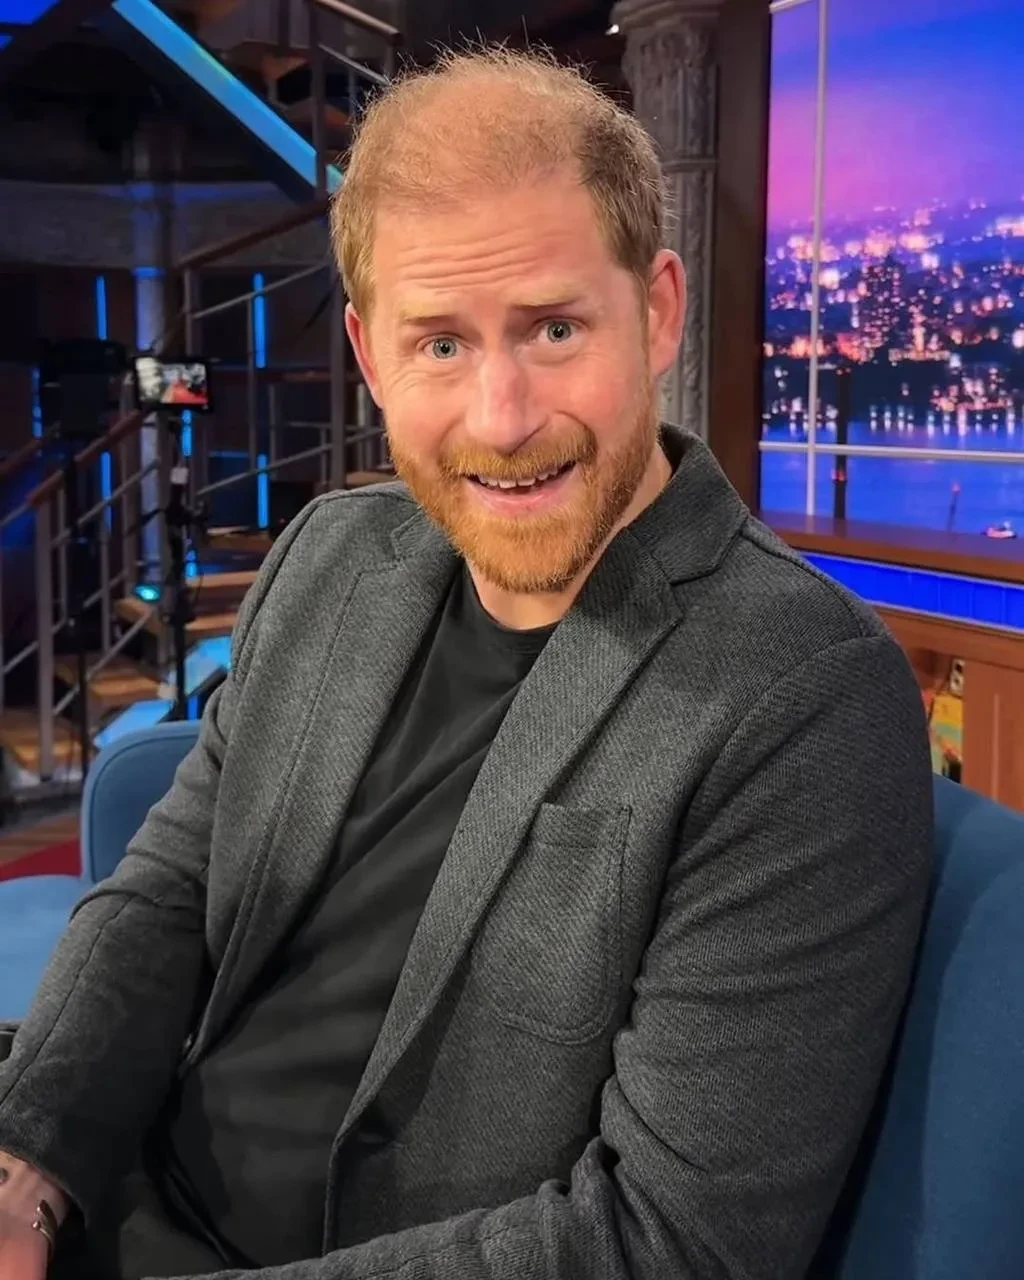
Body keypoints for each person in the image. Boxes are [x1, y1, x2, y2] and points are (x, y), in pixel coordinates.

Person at [0, 46, 932, 1280]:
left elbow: (669, 1243)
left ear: (656, 312)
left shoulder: (801, 691)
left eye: (554, 327)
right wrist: (27, 1162)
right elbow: (171, 890)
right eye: (438, 344)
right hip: (114, 1199)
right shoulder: (331, 556)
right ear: (369, 355)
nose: (502, 417)